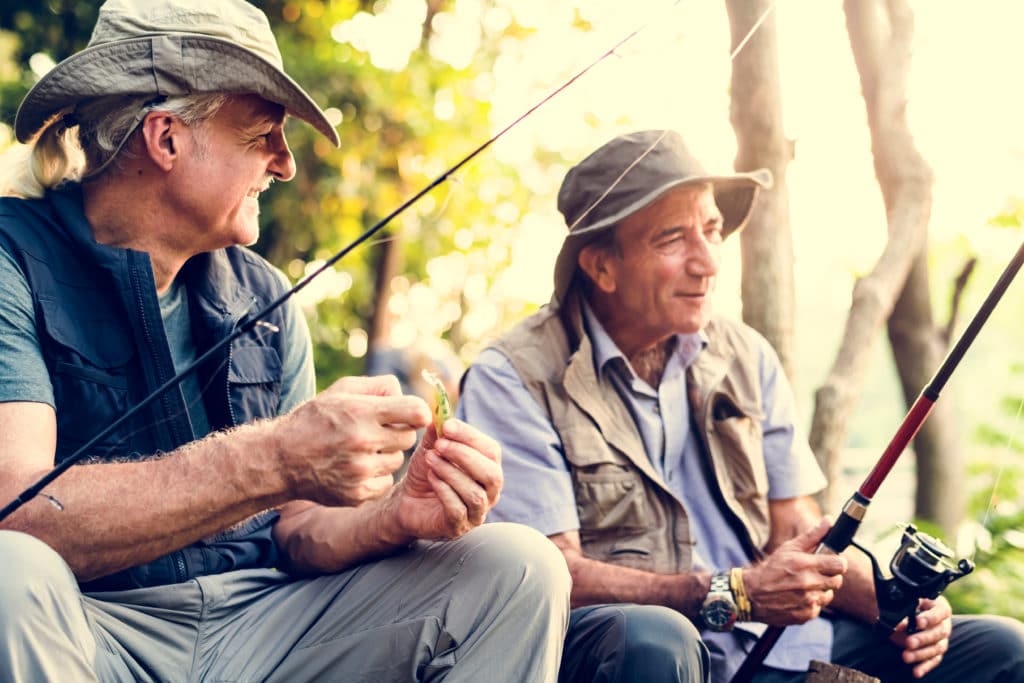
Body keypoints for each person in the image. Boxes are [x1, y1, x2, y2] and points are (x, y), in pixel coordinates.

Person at [0, 1, 570, 681]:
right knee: (10, 570)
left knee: (517, 566)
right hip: (89, 625)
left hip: (262, 624)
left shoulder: (265, 296)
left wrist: (393, 514)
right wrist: (272, 456)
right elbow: (16, 511)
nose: (286, 164)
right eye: (263, 133)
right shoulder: (13, 258)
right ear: (166, 138)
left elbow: (297, 529)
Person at [456, 129, 1024, 683]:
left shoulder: (746, 354)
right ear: (601, 266)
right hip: (644, 654)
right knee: (657, 639)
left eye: (713, 230)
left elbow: (797, 528)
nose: (707, 261)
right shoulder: (513, 379)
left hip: (787, 644)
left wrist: (895, 603)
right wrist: (736, 595)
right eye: (672, 239)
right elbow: (554, 578)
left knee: (1002, 649)